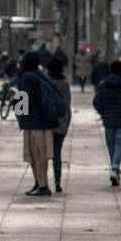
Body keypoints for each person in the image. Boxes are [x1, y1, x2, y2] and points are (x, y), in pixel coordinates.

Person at [12, 52, 58, 196]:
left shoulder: (27, 78)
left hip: (33, 124)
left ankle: (42, 186)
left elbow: (25, 101)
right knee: (41, 156)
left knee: (35, 156)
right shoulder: (41, 75)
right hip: (45, 123)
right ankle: (39, 183)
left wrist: (16, 104)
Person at [93, 59, 121, 186]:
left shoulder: (103, 84)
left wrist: (103, 112)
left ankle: (114, 168)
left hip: (108, 120)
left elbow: (96, 102)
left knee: (111, 145)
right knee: (119, 145)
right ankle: (115, 168)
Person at [46, 56, 72, 194]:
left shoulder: (45, 82)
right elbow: (67, 103)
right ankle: (57, 181)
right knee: (57, 154)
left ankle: (42, 181)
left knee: (43, 153)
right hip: (61, 122)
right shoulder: (65, 84)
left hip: (47, 122)